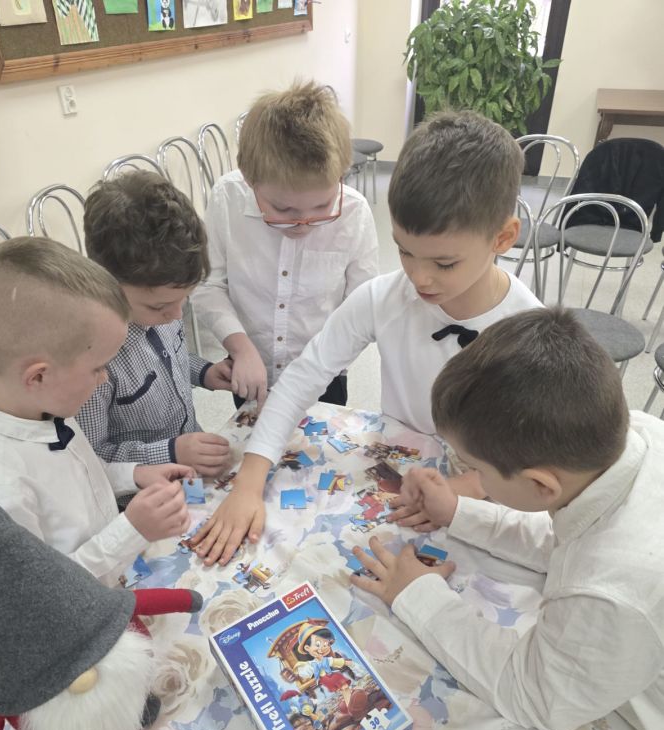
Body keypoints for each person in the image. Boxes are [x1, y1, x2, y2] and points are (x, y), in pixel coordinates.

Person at [190, 109, 541, 564]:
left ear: (503, 238)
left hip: (492, 493)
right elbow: (301, 380)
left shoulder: (529, 330)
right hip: (403, 471)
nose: (418, 277)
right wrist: (249, 482)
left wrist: (460, 488)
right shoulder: (383, 297)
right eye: (404, 251)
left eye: (444, 263)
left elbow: (535, 456)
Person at [352, 307, 664, 730]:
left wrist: (416, 594)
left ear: (540, 483)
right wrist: (458, 510)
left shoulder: (610, 591)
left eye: (475, 470)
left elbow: (534, 697)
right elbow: (563, 534)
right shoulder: (638, 432)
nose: (469, 477)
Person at [0, 238, 194, 587]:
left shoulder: (44, 403)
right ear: (38, 376)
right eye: (98, 367)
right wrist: (133, 530)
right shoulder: (3, 491)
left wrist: (133, 475)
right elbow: (52, 594)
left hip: (120, 572)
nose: (105, 378)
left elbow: (79, 478)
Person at [189, 79, 378, 408]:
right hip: (250, 368)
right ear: (250, 180)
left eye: (322, 207)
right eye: (284, 210)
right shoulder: (227, 198)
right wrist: (240, 347)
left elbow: (362, 308)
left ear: (340, 176)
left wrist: (321, 364)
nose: (303, 223)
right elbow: (209, 284)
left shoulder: (354, 213)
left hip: (323, 374)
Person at [77, 171, 232, 478]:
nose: (176, 315)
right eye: (159, 307)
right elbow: (92, 459)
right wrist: (171, 451)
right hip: (144, 492)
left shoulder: (163, 306)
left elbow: (169, 359)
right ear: (107, 283)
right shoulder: (90, 361)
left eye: (184, 299)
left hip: (191, 464)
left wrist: (205, 372)